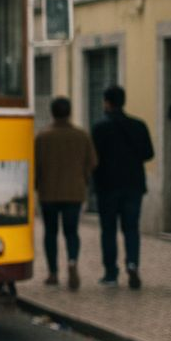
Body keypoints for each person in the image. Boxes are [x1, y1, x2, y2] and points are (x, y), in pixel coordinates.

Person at [91, 85, 155, 289]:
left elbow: (93, 159)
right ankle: (133, 264)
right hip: (133, 185)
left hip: (107, 186)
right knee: (131, 229)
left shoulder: (99, 127)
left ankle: (111, 274)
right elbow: (148, 153)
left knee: (108, 230)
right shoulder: (138, 125)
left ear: (107, 102)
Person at [34, 96, 97, 290]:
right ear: (70, 112)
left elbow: (35, 165)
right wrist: (83, 179)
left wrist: (37, 185)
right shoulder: (82, 135)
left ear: (52, 113)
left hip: (49, 193)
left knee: (50, 233)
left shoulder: (42, 137)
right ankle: (72, 261)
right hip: (74, 193)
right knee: (72, 232)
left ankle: (53, 273)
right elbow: (93, 162)